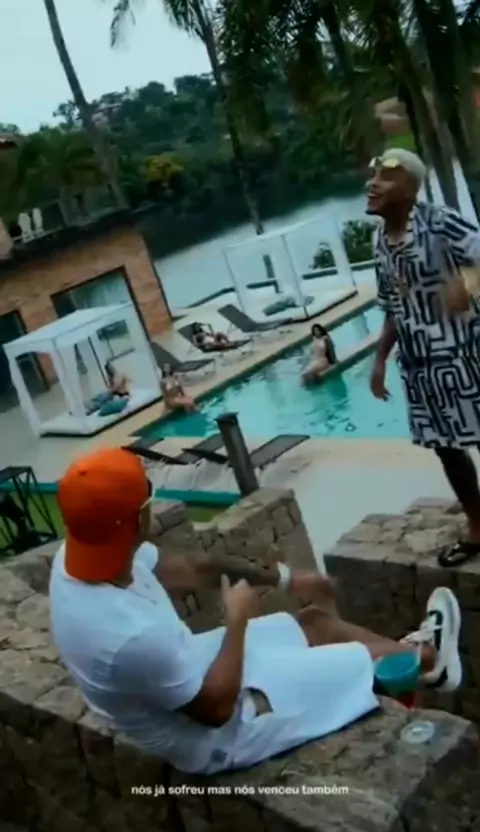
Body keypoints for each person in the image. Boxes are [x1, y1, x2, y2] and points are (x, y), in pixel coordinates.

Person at [49, 446, 462, 776]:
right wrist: (237, 620)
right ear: (139, 518)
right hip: (219, 739)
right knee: (356, 663)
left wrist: (285, 580)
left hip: (189, 669)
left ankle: (422, 656)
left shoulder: (85, 554)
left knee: (314, 623)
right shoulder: (129, 637)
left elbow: (195, 569)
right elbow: (215, 711)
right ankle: (423, 659)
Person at [368, 148, 480, 568]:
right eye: (374, 176)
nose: (373, 184)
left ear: (411, 188)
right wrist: (380, 360)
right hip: (421, 366)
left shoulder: (441, 221)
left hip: (467, 355)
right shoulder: (379, 240)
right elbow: (391, 304)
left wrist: (468, 285)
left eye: (386, 177)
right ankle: (478, 525)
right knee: (446, 448)